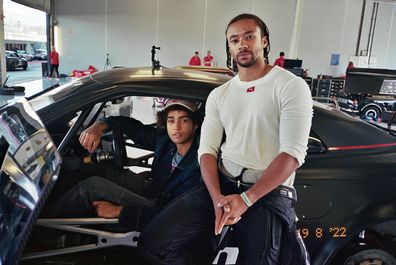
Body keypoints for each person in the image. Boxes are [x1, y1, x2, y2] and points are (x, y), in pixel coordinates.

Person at [138, 13, 313, 265]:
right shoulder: (220, 95)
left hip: (265, 195)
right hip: (221, 186)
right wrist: (216, 197)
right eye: (234, 40)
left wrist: (246, 199)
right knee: (154, 243)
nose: (242, 44)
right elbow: (206, 151)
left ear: (264, 41)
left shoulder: (289, 86)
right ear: (229, 47)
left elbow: (293, 153)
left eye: (249, 37)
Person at [42, 99, 203, 231]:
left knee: (91, 187)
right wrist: (99, 127)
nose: (176, 127)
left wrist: (118, 211)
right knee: (104, 169)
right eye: (171, 120)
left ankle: (43, 231)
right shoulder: (165, 142)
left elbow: (176, 215)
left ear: (195, 125)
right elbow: (127, 124)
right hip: (153, 189)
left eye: (184, 120)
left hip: (159, 208)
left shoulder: (196, 167)